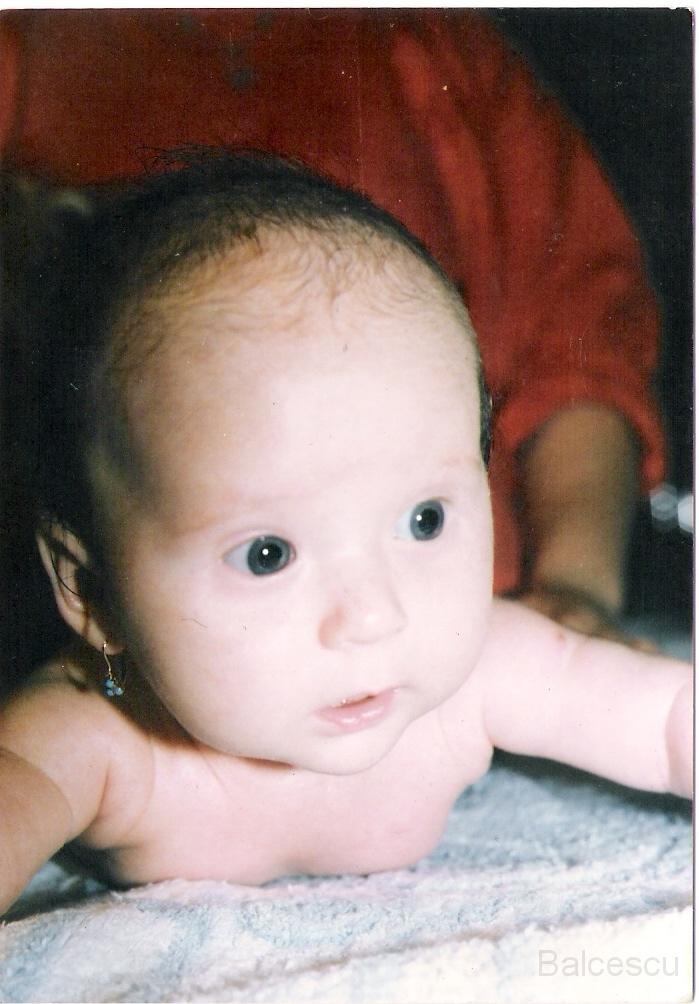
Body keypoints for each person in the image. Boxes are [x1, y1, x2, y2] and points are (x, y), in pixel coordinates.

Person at [0, 151, 690, 915]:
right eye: (267, 555)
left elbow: (667, 722)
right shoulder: (94, 733)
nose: (372, 617)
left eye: (423, 520)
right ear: (90, 590)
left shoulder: (477, 672)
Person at [0, 9, 665, 644]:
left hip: (480, 625)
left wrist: (571, 590)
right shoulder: (29, 47)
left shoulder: (437, 45)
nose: (364, 620)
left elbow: (581, 339)